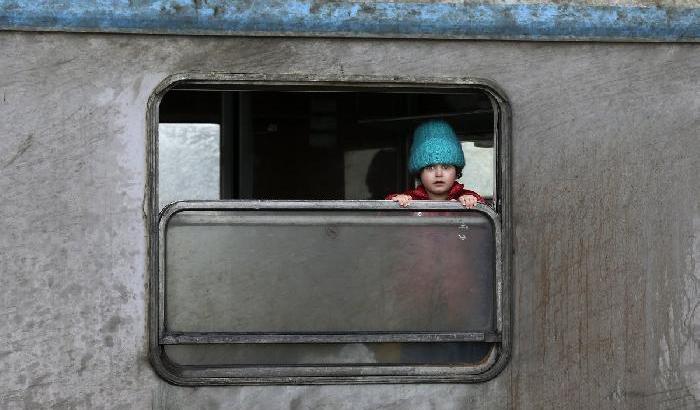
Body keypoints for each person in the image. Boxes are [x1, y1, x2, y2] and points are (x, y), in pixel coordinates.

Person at [386, 119, 485, 208]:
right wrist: (397, 201)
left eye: (446, 167)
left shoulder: (466, 196)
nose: (439, 174)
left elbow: (481, 208)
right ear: (419, 173)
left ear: (456, 172)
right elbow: (386, 209)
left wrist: (471, 202)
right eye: (430, 168)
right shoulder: (410, 198)